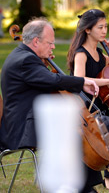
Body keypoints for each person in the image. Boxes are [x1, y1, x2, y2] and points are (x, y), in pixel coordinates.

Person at [0, 18, 99, 191]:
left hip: (29, 120)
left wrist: (43, 63)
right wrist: (82, 81)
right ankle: (85, 188)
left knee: (79, 133)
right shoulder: (25, 61)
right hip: (22, 129)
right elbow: (52, 80)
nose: (53, 47)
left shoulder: (26, 57)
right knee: (75, 136)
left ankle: (86, 186)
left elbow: (43, 82)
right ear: (36, 41)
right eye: (50, 43)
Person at [67, 9, 109, 192]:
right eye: (100, 27)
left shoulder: (99, 52)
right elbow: (80, 80)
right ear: (88, 30)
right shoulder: (81, 54)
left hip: (101, 103)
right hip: (85, 105)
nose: (104, 31)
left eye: (106, 27)